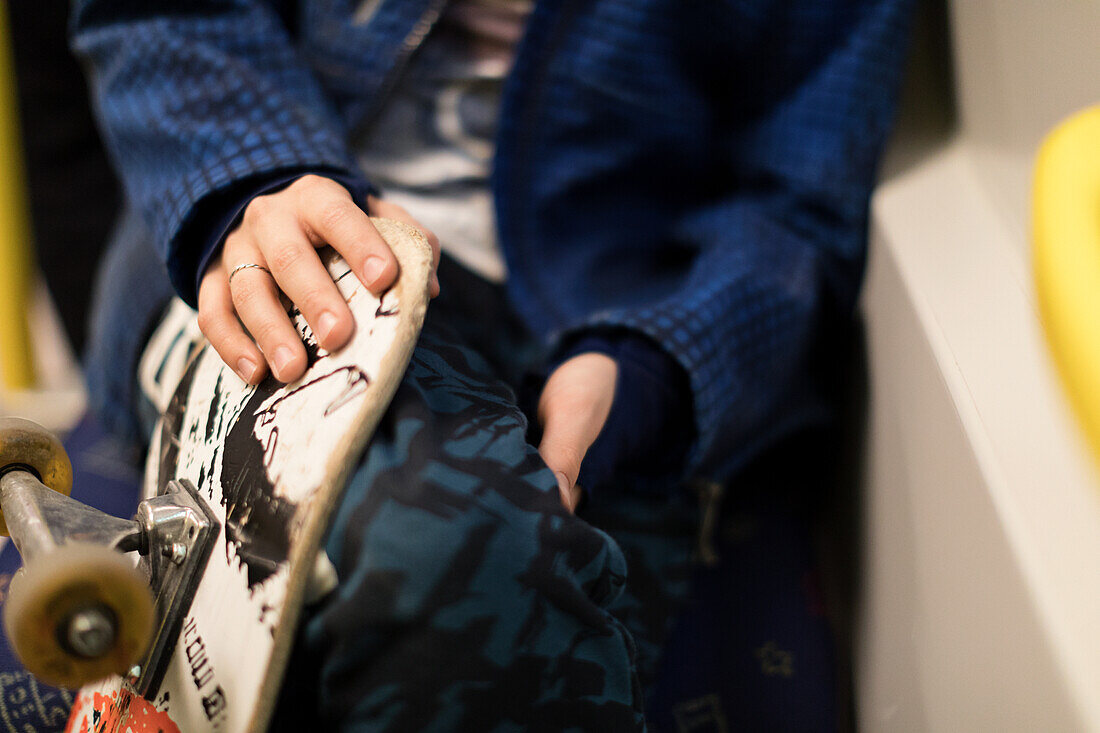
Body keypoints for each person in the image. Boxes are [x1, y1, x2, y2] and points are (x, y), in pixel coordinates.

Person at [72, 0, 914, 729]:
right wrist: (246, 181)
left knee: (504, 598)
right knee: (444, 562)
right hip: (270, 224)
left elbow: (798, 208)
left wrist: (656, 366)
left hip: (610, 313)